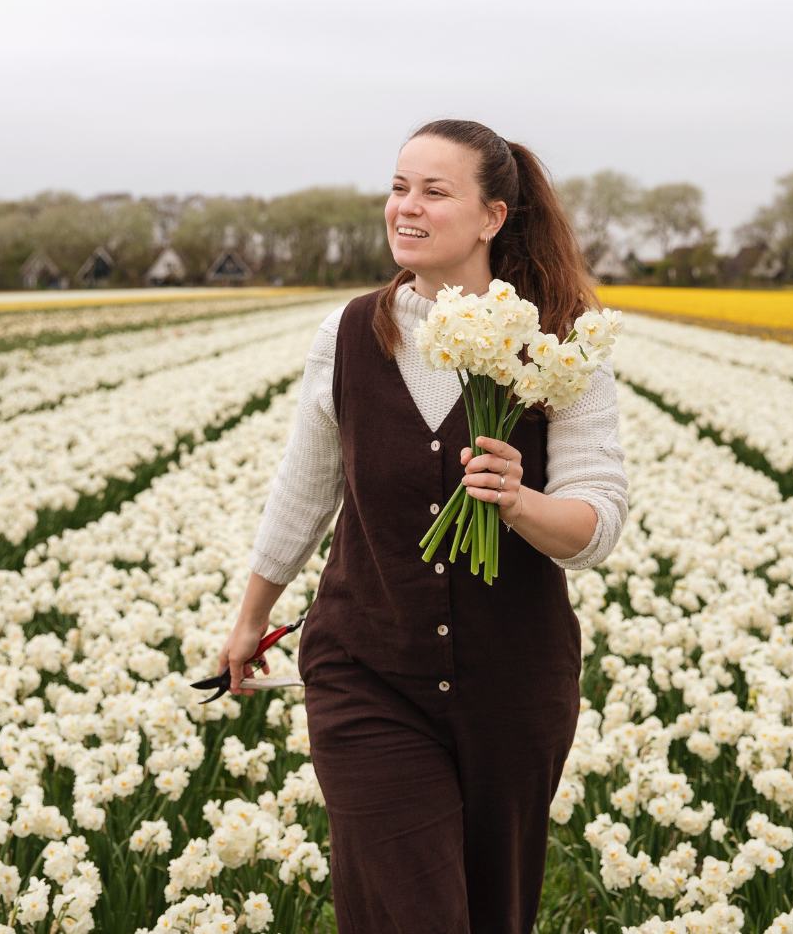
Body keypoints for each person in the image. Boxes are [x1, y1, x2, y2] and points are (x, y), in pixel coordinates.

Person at [218, 119, 629, 934]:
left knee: (493, 914)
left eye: (434, 191)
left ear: (492, 218)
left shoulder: (561, 346)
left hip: (513, 687)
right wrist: (251, 617)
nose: (405, 207)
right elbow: (307, 486)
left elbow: (596, 523)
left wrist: (518, 502)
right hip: (367, 673)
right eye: (399, 186)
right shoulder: (350, 333)